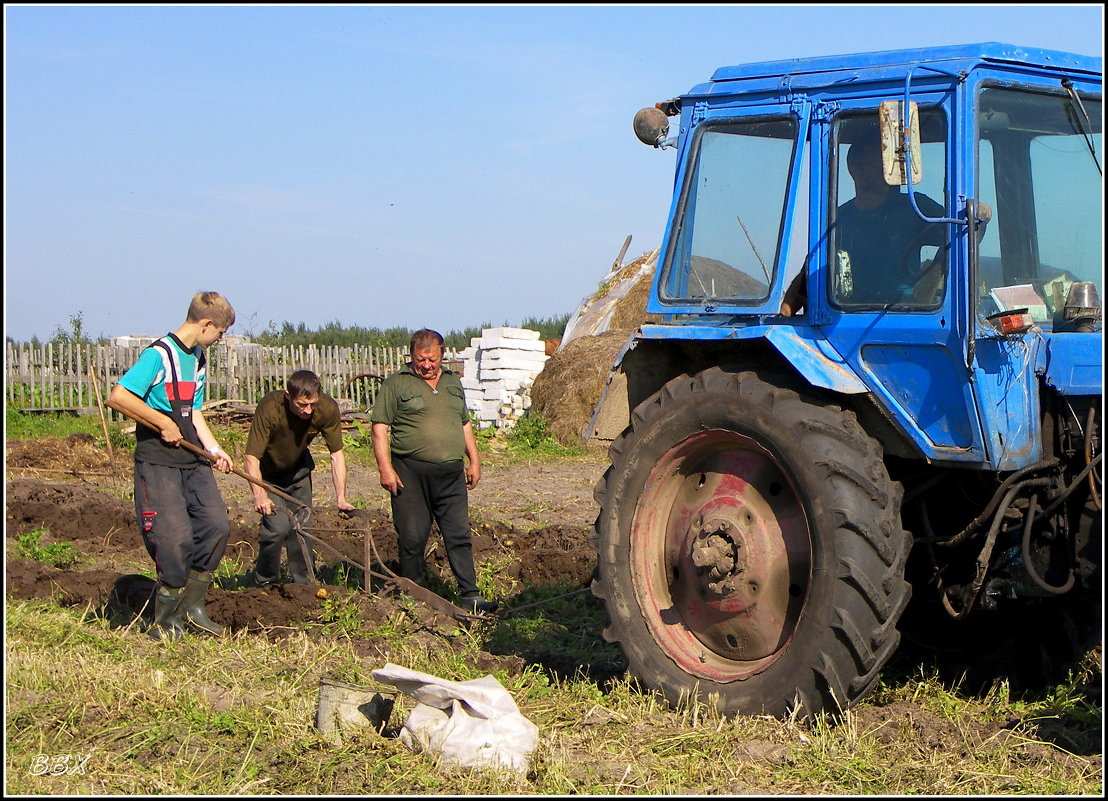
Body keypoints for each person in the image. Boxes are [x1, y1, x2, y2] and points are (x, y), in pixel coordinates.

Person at [107, 291, 236, 641]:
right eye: (220, 332)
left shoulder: (198, 358)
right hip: (158, 461)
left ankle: (192, 609)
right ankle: (164, 621)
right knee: (174, 538)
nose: (220, 339)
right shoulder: (158, 355)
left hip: (192, 458)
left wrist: (214, 448)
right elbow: (118, 396)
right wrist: (160, 422)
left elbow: (193, 410)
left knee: (215, 526)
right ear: (206, 324)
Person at [782, 133, 987, 314]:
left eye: (888, 168)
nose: (886, 174)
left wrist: (981, 216)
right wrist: (785, 313)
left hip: (911, 315)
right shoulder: (839, 220)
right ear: (855, 169)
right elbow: (808, 278)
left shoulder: (915, 208)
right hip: (853, 318)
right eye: (877, 166)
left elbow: (961, 235)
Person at [370, 329, 497, 614]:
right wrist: (385, 469)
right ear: (411, 356)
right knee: (413, 535)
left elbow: (464, 423)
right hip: (410, 474)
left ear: (442, 356)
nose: (426, 365)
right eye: (420, 359)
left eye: (432, 359)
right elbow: (379, 429)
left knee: (458, 534)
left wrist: (474, 460)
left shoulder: (453, 383)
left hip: (450, 473)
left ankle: (470, 595)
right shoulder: (396, 384)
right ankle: (413, 593)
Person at [243, 369, 355, 586]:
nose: (308, 410)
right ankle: (265, 583)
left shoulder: (326, 409)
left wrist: (340, 497)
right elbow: (251, 458)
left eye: (312, 404)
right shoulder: (270, 408)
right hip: (268, 476)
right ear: (288, 396)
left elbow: (336, 455)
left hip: (298, 473)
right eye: (302, 405)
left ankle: (304, 585)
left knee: (302, 529)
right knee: (276, 529)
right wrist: (259, 494)